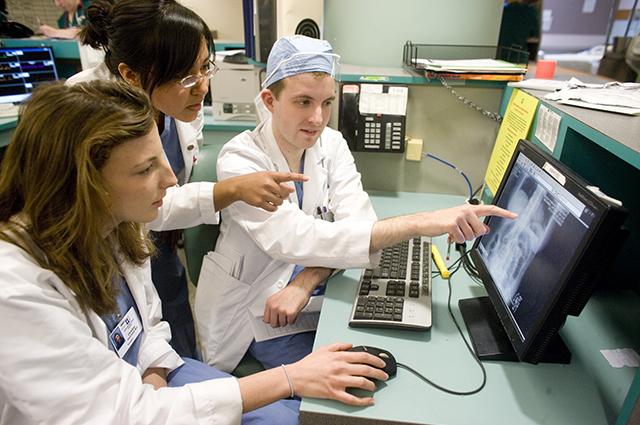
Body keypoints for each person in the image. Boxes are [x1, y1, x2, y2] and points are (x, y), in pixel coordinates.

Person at [0, 80, 389, 425]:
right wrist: (291, 377)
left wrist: (153, 375)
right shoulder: (17, 292)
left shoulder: (112, 227)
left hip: (152, 380)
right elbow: (122, 414)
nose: (171, 179)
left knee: (293, 416)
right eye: (144, 169)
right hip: (120, 410)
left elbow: (147, 325)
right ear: (81, 184)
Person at [195, 35, 518, 372]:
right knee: (339, 380)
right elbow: (293, 238)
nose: (318, 118)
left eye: (327, 102)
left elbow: (359, 224)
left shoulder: (331, 144)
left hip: (307, 294)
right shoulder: (240, 160)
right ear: (270, 100)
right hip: (257, 309)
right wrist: (423, 222)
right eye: (303, 102)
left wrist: (306, 280)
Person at [67, 0, 304, 358]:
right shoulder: (84, 113)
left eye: (205, 68)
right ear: (131, 76)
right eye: (187, 77)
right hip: (98, 251)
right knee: (128, 349)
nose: (203, 88)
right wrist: (230, 190)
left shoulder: (177, 107)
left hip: (151, 242)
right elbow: (148, 205)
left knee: (170, 329)